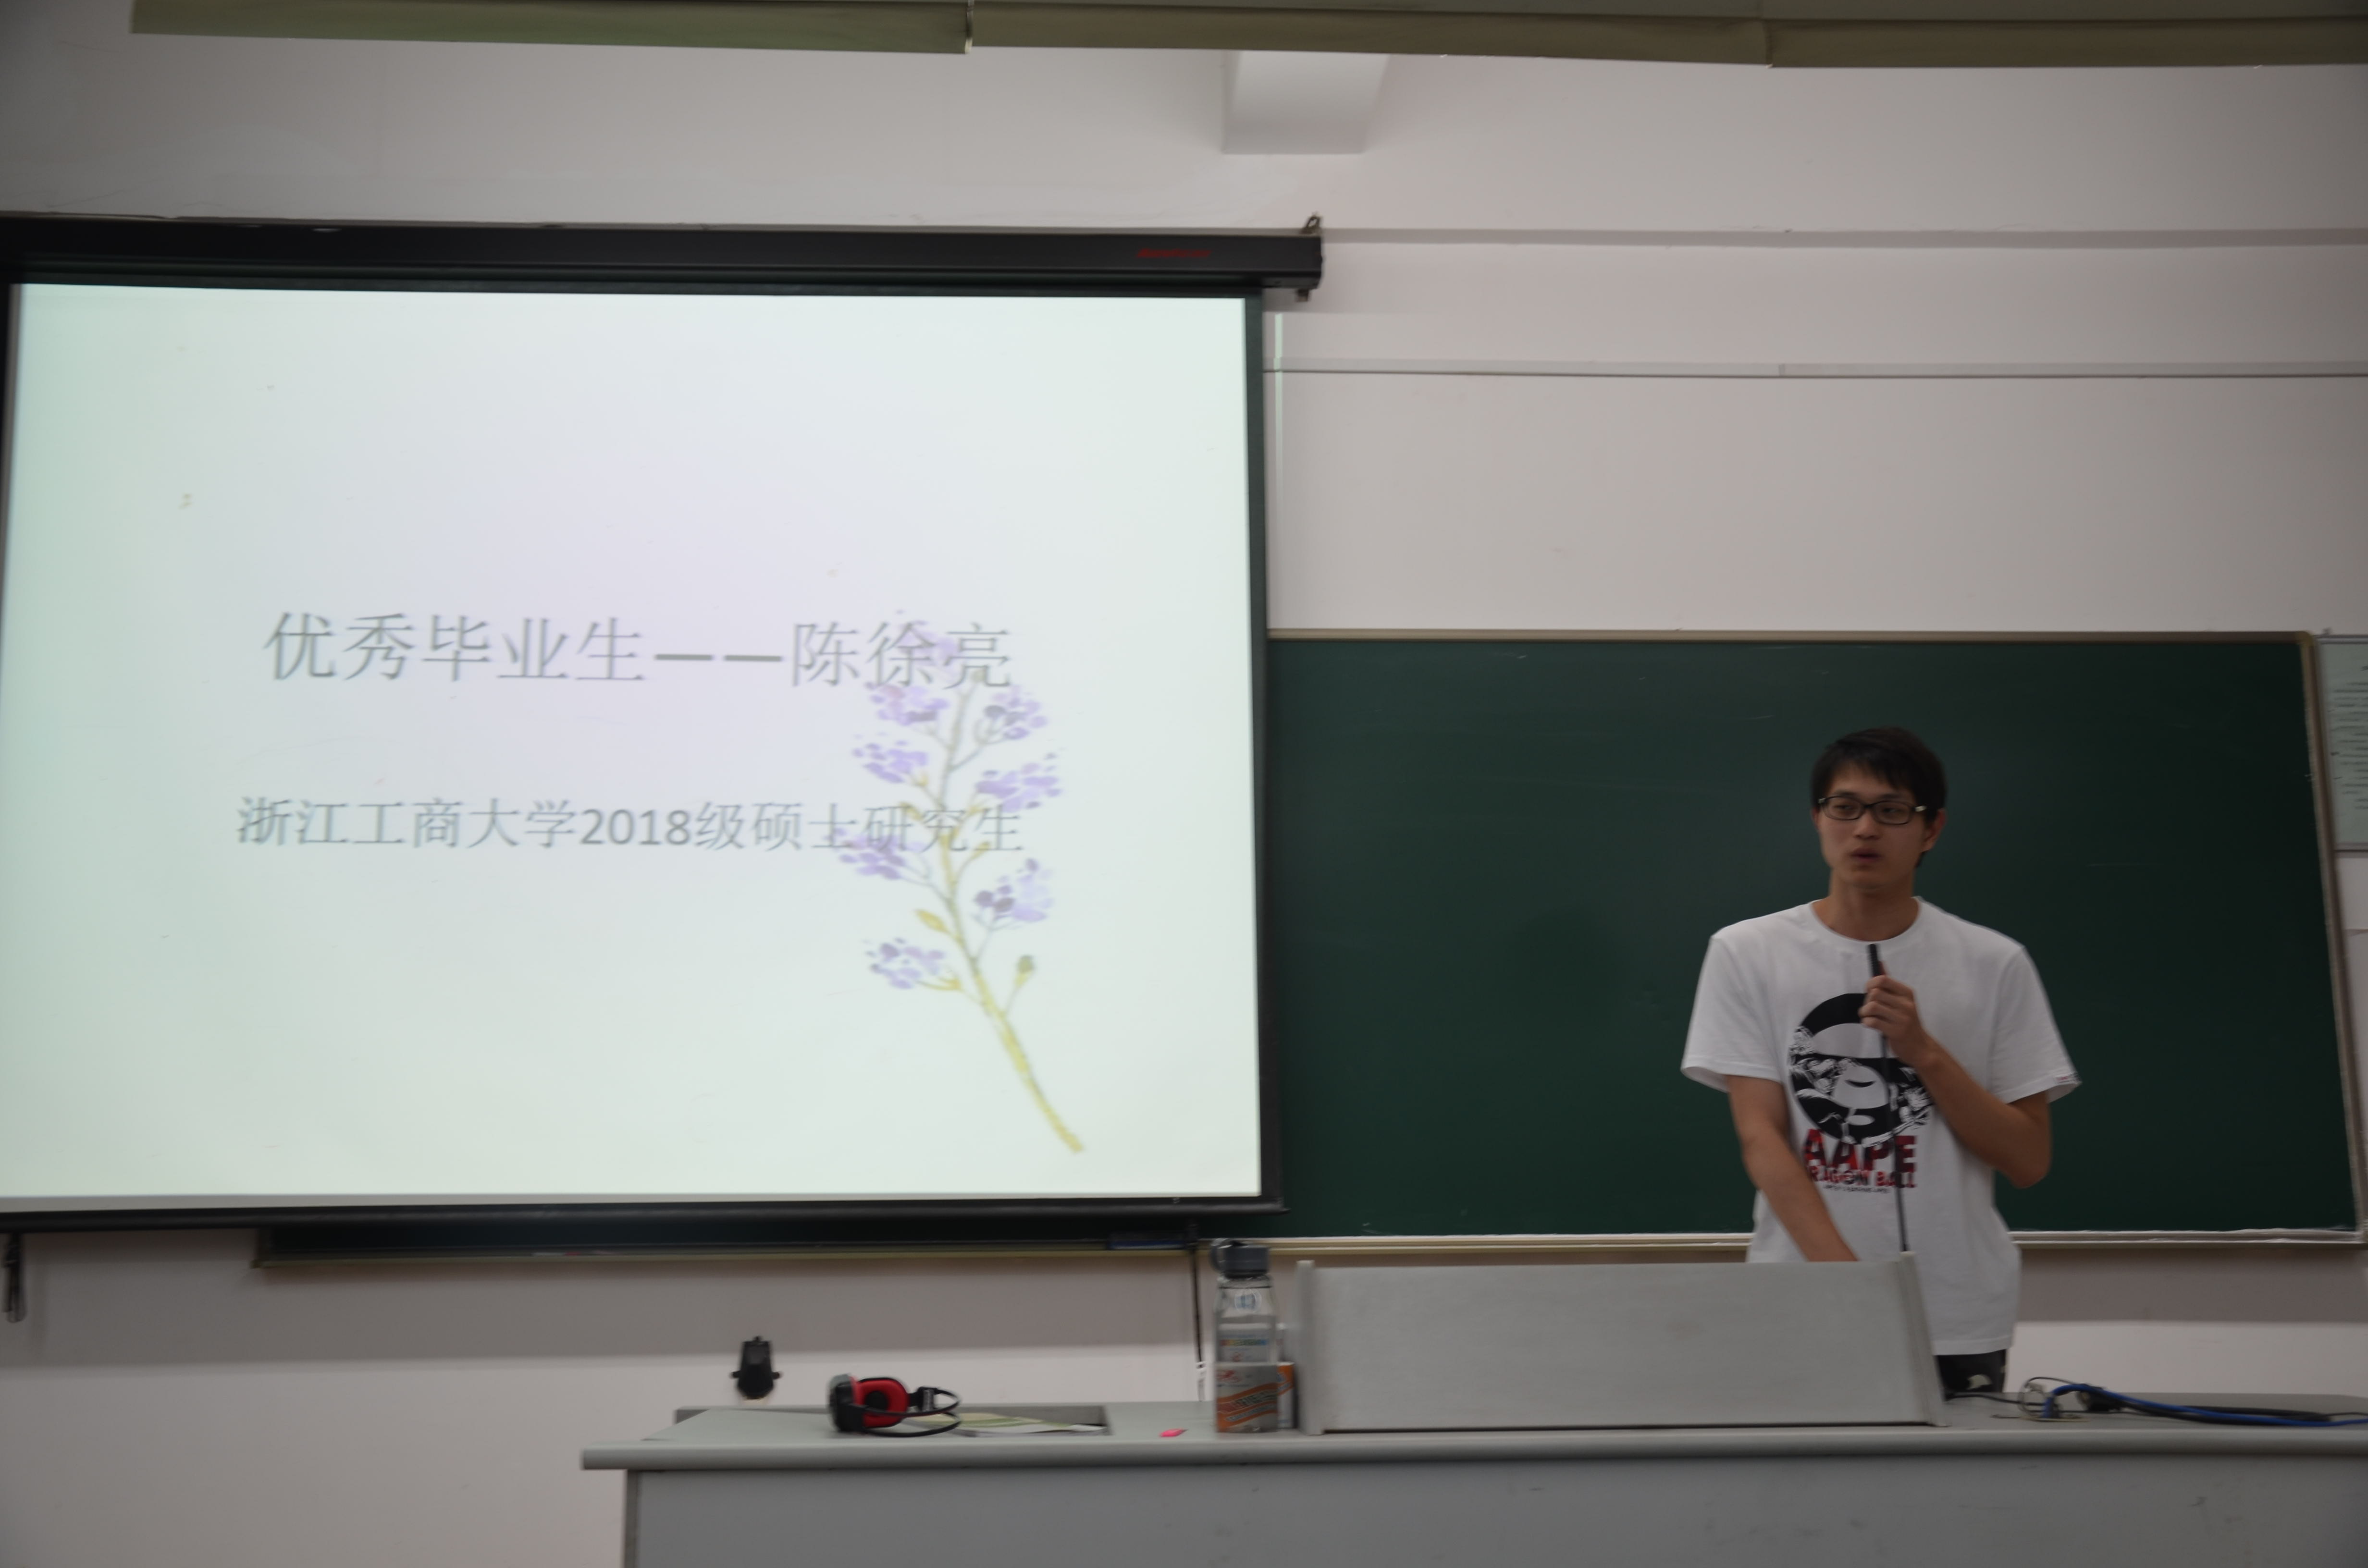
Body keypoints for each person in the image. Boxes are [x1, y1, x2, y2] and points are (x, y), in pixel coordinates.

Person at [1680, 726, 2078, 1396]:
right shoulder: (1748, 953)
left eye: (1892, 811)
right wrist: (1853, 1285)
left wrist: (1924, 1052)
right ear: (1818, 818)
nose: (1865, 829)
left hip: (1954, 1315)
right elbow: (1761, 1136)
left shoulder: (1994, 963)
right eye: (1845, 807)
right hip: (1804, 1301)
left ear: (1931, 829)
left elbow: (2028, 1159)